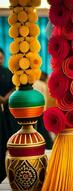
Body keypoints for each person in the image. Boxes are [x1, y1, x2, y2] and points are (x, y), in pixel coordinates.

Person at [0, 48, 16, 183]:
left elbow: (13, 87)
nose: (0, 60)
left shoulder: (8, 72)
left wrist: (5, 98)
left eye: (1, 57)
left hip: (7, 107)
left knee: (7, 134)